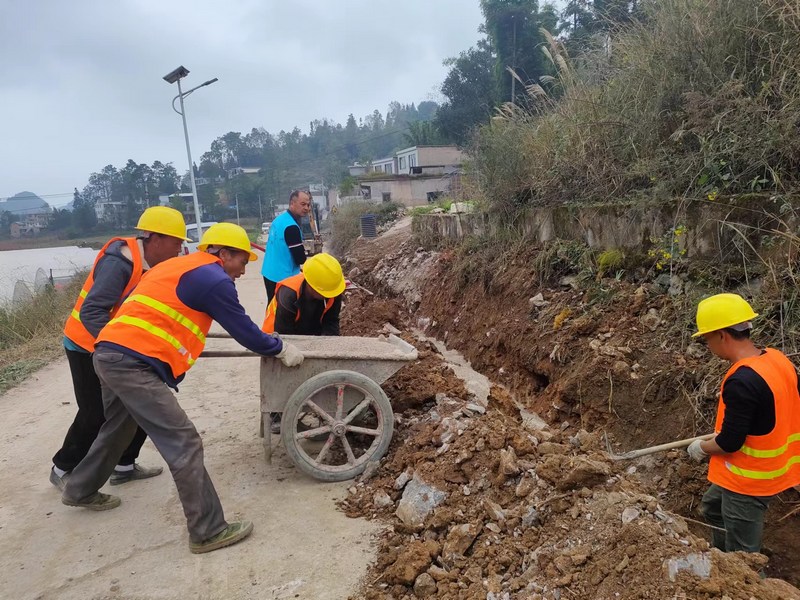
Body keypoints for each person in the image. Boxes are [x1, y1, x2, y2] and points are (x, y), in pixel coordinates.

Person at [60, 223, 304, 555]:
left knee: (119, 426)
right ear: (222, 253)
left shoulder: (178, 265)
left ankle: (78, 488)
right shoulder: (214, 278)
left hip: (108, 353)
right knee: (183, 441)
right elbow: (245, 331)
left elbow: (157, 313)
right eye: (241, 261)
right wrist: (278, 348)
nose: (243, 270)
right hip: (132, 365)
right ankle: (207, 530)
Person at [51, 206, 189, 491]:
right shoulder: (120, 263)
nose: (179, 250)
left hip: (119, 346)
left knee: (136, 403)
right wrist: (120, 349)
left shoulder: (154, 265)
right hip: (85, 344)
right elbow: (92, 312)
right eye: (177, 243)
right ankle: (63, 466)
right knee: (95, 412)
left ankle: (124, 465)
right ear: (156, 239)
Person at [687, 293, 800, 553]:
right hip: (766, 467)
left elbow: (730, 443)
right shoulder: (777, 359)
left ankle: (743, 579)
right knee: (712, 507)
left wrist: (701, 448)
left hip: (749, 480)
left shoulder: (742, 381)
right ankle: (721, 560)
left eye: (707, 339)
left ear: (722, 335)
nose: (708, 345)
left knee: (744, 554)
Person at [261, 253, 345, 433]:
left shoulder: (332, 289)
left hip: (311, 329)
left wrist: (328, 349)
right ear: (310, 284)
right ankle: (277, 414)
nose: (326, 295)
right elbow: (285, 333)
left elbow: (331, 321)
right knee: (281, 371)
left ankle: (320, 406)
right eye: (321, 292)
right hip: (278, 332)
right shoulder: (289, 292)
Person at [261, 190, 311, 303]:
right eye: (303, 204)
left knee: (272, 307)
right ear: (292, 203)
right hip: (283, 277)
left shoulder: (278, 220)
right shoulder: (291, 227)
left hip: (269, 272)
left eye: (308, 205)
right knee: (282, 311)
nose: (307, 208)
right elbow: (300, 258)